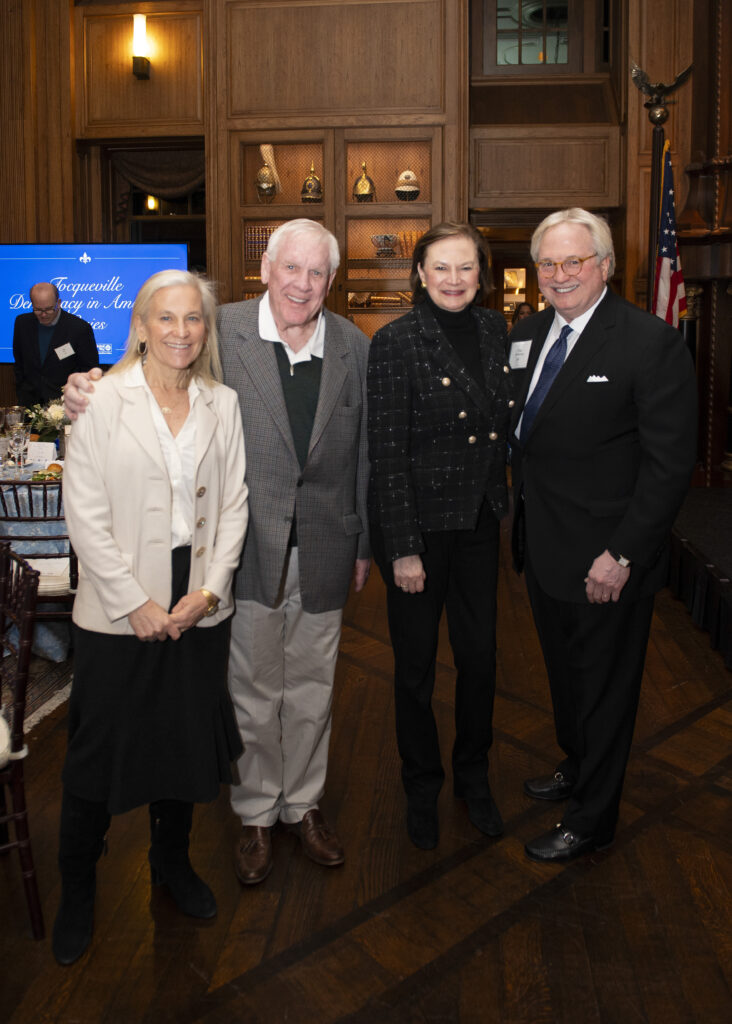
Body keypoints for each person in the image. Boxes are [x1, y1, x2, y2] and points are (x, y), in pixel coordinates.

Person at [64, 219, 370, 887]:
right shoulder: (217, 327)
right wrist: (81, 387)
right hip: (244, 552)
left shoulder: (351, 343)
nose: (304, 284)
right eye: (292, 269)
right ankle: (257, 813)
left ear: (331, 280)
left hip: (323, 545)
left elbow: (365, 449)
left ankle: (304, 805)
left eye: (318, 273)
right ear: (267, 269)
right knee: (253, 690)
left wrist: (364, 540)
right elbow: (150, 369)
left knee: (315, 691)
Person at [54, 270, 248, 965]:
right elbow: (85, 513)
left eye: (192, 319)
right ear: (139, 325)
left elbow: (234, 505)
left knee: (183, 740)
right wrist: (132, 601)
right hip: (118, 605)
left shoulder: (221, 403)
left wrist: (211, 591)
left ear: (206, 328)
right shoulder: (101, 402)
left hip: (195, 600)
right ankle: (77, 890)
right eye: (165, 318)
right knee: (96, 755)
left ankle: (172, 864)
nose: (180, 332)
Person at [509, 208, 696, 863]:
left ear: (606, 266)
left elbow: (670, 466)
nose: (560, 276)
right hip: (544, 551)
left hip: (607, 561)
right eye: (549, 264)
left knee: (606, 691)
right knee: (565, 680)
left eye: (574, 262)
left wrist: (621, 555)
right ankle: (576, 765)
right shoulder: (527, 333)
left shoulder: (650, 343)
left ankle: (592, 818)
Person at [367, 222, 513, 850]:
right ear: (420, 275)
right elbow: (387, 454)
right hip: (420, 532)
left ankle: (473, 779)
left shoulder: (494, 330)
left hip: (479, 521)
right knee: (415, 671)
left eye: (466, 268)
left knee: (480, 661)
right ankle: (422, 786)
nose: (454, 280)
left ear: (481, 274)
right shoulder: (396, 341)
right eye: (441, 268)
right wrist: (401, 548)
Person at [12, 282, 99, 407]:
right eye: (37, 309)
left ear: (58, 303)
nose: (43, 314)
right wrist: (22, 391)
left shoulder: (79, 328)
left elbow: (89, 370)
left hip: (65, 405)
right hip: (29, 404)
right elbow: (19, 363)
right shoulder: (22, 323)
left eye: (48, 309)